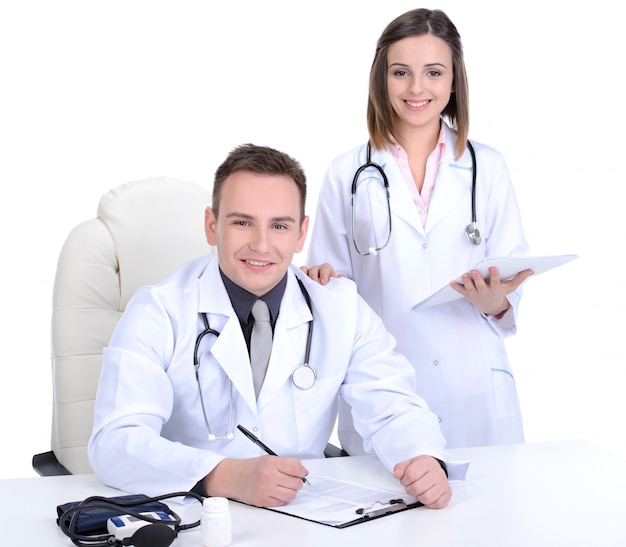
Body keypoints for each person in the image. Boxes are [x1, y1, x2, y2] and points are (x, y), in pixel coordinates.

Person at [88, 143, 467, 511]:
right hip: (197, 513)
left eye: (280, 226)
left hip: (308, 513)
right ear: (211, 225)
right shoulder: (158, 310)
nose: (262, 244)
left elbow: (393, 407)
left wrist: (423, 457)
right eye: (242, 222)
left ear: (301, 234)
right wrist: (225, 477)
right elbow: (115, 441)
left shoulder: (339, 307)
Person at [305, 8, 533, 452]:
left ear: (453, 81)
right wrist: (324, 284)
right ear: (381, 79)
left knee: (490, 516)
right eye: (400, 72)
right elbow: (332, 288)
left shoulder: (487, 167)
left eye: (433, 72)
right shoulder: (345, 173)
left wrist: (497, 302)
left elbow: (510, 274)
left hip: (475, 389)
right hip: (384, 386)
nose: (416, 88)